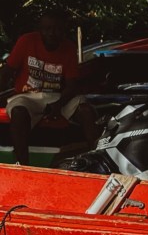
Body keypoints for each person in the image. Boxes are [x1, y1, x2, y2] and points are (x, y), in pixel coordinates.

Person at [0, 10, 99, 165]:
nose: (52, 33)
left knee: (85, 110)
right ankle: (23, 164)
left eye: (57, 29)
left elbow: (72, 85)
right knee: (18, 112)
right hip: (27, 96)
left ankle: (96, 159)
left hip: (59, 96)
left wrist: (58, 104)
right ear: (40, 30)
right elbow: (7, 71)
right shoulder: (26, 41)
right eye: (47, 29)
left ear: (63, 31)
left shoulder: (69, 48)